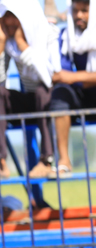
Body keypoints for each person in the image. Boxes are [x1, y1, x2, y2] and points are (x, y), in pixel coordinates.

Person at [43, 0, 96, 179]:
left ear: (94, 11)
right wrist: (86, 78)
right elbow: (61, 74)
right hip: (79, 95)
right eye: (75, 10)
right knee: (60, 94)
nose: (79, 15)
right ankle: (63, 161)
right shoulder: (66, 36)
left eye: (84, 11)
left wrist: (75, 77)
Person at [0, 0, 59, 180]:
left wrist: (23, 45)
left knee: (42, 91)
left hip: (52, 99)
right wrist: (1, 46)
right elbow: (1, 81)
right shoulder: (9, 43)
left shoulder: (49, 34)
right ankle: (1, 161)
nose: (8, 22)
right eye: (5, 16)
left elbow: (50, 78)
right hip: (31, 100)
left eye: (14, 16)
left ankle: (47, 160)